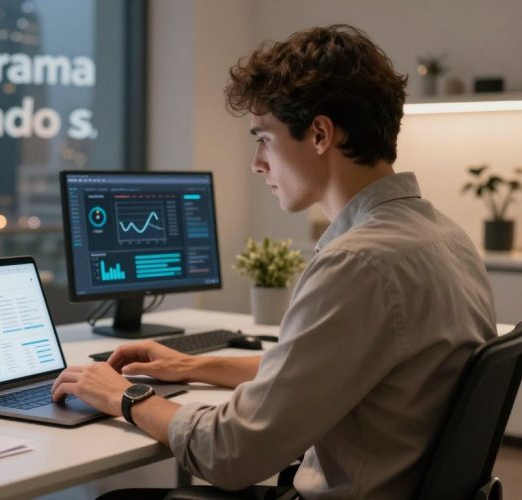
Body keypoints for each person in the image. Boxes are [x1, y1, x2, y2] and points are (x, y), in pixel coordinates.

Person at [51, 24, 497, 499]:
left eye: (264, 138)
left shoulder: (358, 264)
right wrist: (190, 365)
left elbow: (232, 453)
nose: (257, 162)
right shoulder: (445, 238)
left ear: (320, 134)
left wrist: (123, 396)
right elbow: (315, 368)